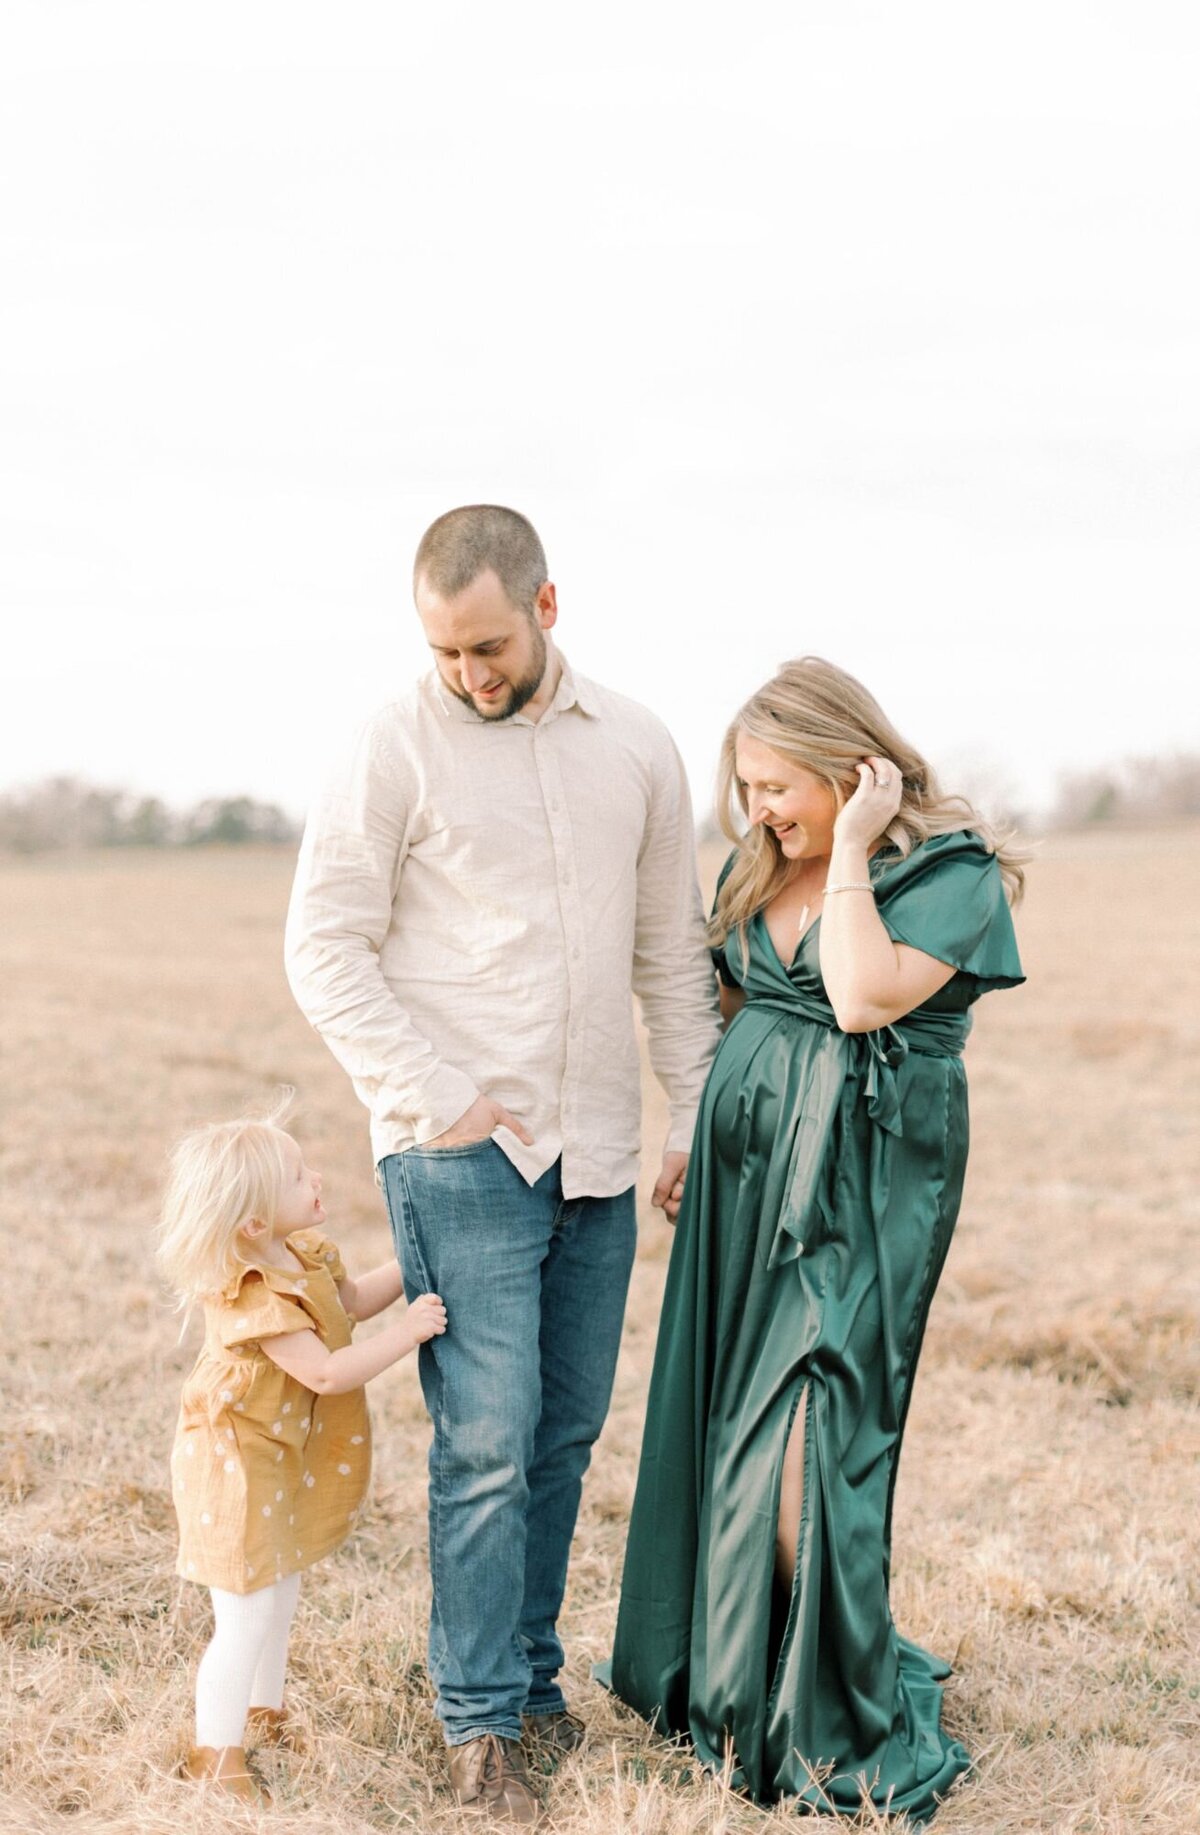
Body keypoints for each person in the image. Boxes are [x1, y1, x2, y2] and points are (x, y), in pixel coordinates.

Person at [284, 505, 721, 1825]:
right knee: (481, 1442)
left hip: (594, 1148)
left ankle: (534, 1678)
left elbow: (667, 952)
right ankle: (479, 1723)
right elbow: (325, 945)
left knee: (563, 1436)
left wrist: (687, 1115)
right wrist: (434, 1096)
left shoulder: (640, 745)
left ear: (545, 604)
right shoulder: (389, 741)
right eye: (444, 650)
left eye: (485, 644)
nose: (466, 672)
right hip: (458, 1155)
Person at [604, 657, 1026, 1825]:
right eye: (745, 788)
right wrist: (699, 1126)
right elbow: (739, 998)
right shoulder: (758, 865)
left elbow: (857, 994)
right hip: (748, 1179)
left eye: (778, 786)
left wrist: (848, 852)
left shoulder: (950, 870)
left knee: (815, 1422)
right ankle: (730, 1674)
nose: (758, 812)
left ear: (855, 768)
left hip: (865, 1185)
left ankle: (820, 1701)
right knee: (732, 1411)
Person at [157, 1095, 447, 1808]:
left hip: (274, 1453)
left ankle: (266, 1712)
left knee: (279, 1594)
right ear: (254, 1221)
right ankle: (215, 1753)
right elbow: (326, 1369)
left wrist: (414, 1262)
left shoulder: (303, 1252)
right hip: (234, 1465)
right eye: (296, 1176)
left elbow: (349, 1301)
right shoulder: (253, 1294)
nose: (315, 1176)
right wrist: (408, 1334)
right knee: (246, 1612)